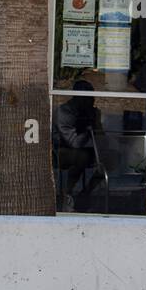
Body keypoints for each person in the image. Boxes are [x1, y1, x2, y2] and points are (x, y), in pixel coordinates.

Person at [53, 79, 103, 210]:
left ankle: (85, 193)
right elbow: (74, 143)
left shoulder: (88, 112)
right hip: (60, 149)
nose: (91, 101)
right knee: (81, 157)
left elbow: (102, 138)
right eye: (88, 98)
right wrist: (87, 127)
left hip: (84, 149)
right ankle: (67, 193)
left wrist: (96, 122)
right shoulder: (65, 112)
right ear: (78, 97)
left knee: (108, 159)